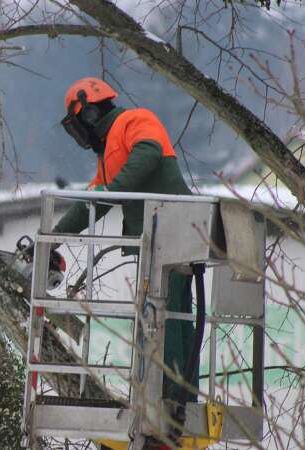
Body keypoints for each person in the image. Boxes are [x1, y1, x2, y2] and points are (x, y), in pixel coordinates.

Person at [53, 77, 197, 407]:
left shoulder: (135, 120)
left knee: (170, 317)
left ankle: (173, 398)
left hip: (175, 233)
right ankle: (172, 392)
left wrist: (114, 190)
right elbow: (93, 203)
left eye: (78, 123)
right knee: (164, 316)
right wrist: (55, 239)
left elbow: (148, 154)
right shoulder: (109, 154)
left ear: (87, 114)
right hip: (156, 243)